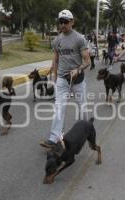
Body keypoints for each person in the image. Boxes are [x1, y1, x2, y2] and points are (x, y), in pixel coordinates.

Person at [40, 9, 91, 148]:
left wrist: (78, 69)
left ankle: (85, 130)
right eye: (60, 22)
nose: (62, 25)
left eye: (65, 22)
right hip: (62, 78)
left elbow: (87, 61)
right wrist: (55, 77)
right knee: (59, 108)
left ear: (72, 22)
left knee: (82, 108)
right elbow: (56, 60)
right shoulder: (57, 40)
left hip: (78, 79)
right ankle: (54, 137)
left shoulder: (79, 38)